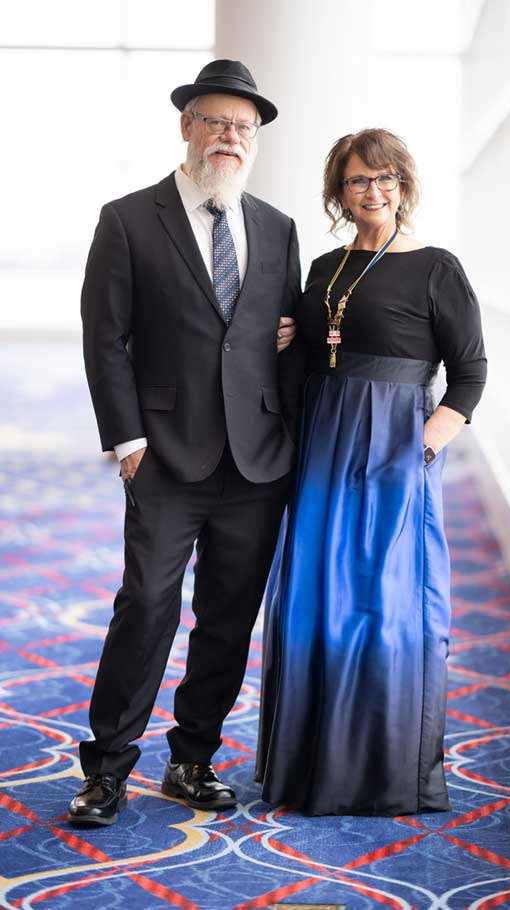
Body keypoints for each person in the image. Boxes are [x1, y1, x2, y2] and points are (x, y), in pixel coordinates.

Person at [70, 59, 302, 826]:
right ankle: (106, 768)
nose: (230, 137)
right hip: (164, 453)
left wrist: (297, 342)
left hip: (256, 458)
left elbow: (277, 334)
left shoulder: (277, 227)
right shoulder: (129, 218)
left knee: (230, 616)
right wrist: (126, 441)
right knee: (146, 604)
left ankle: (192, 758)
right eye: (217, 122)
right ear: (187, 127)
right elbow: (105, 338)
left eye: (244, 127)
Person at [256, 128, 487, 816]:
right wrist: (286, 339)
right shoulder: (324, 268)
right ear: (340, 192)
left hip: (395, 445)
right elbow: (305, 360)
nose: (373, 191)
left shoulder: (436, 266)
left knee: (386, 599)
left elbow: (470, 372)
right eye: (358, 181)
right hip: (326, 442)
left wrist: (423, 447)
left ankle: (383, 770)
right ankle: (308, 768)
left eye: (385, 179)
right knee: (316, 594)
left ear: (404, 186)